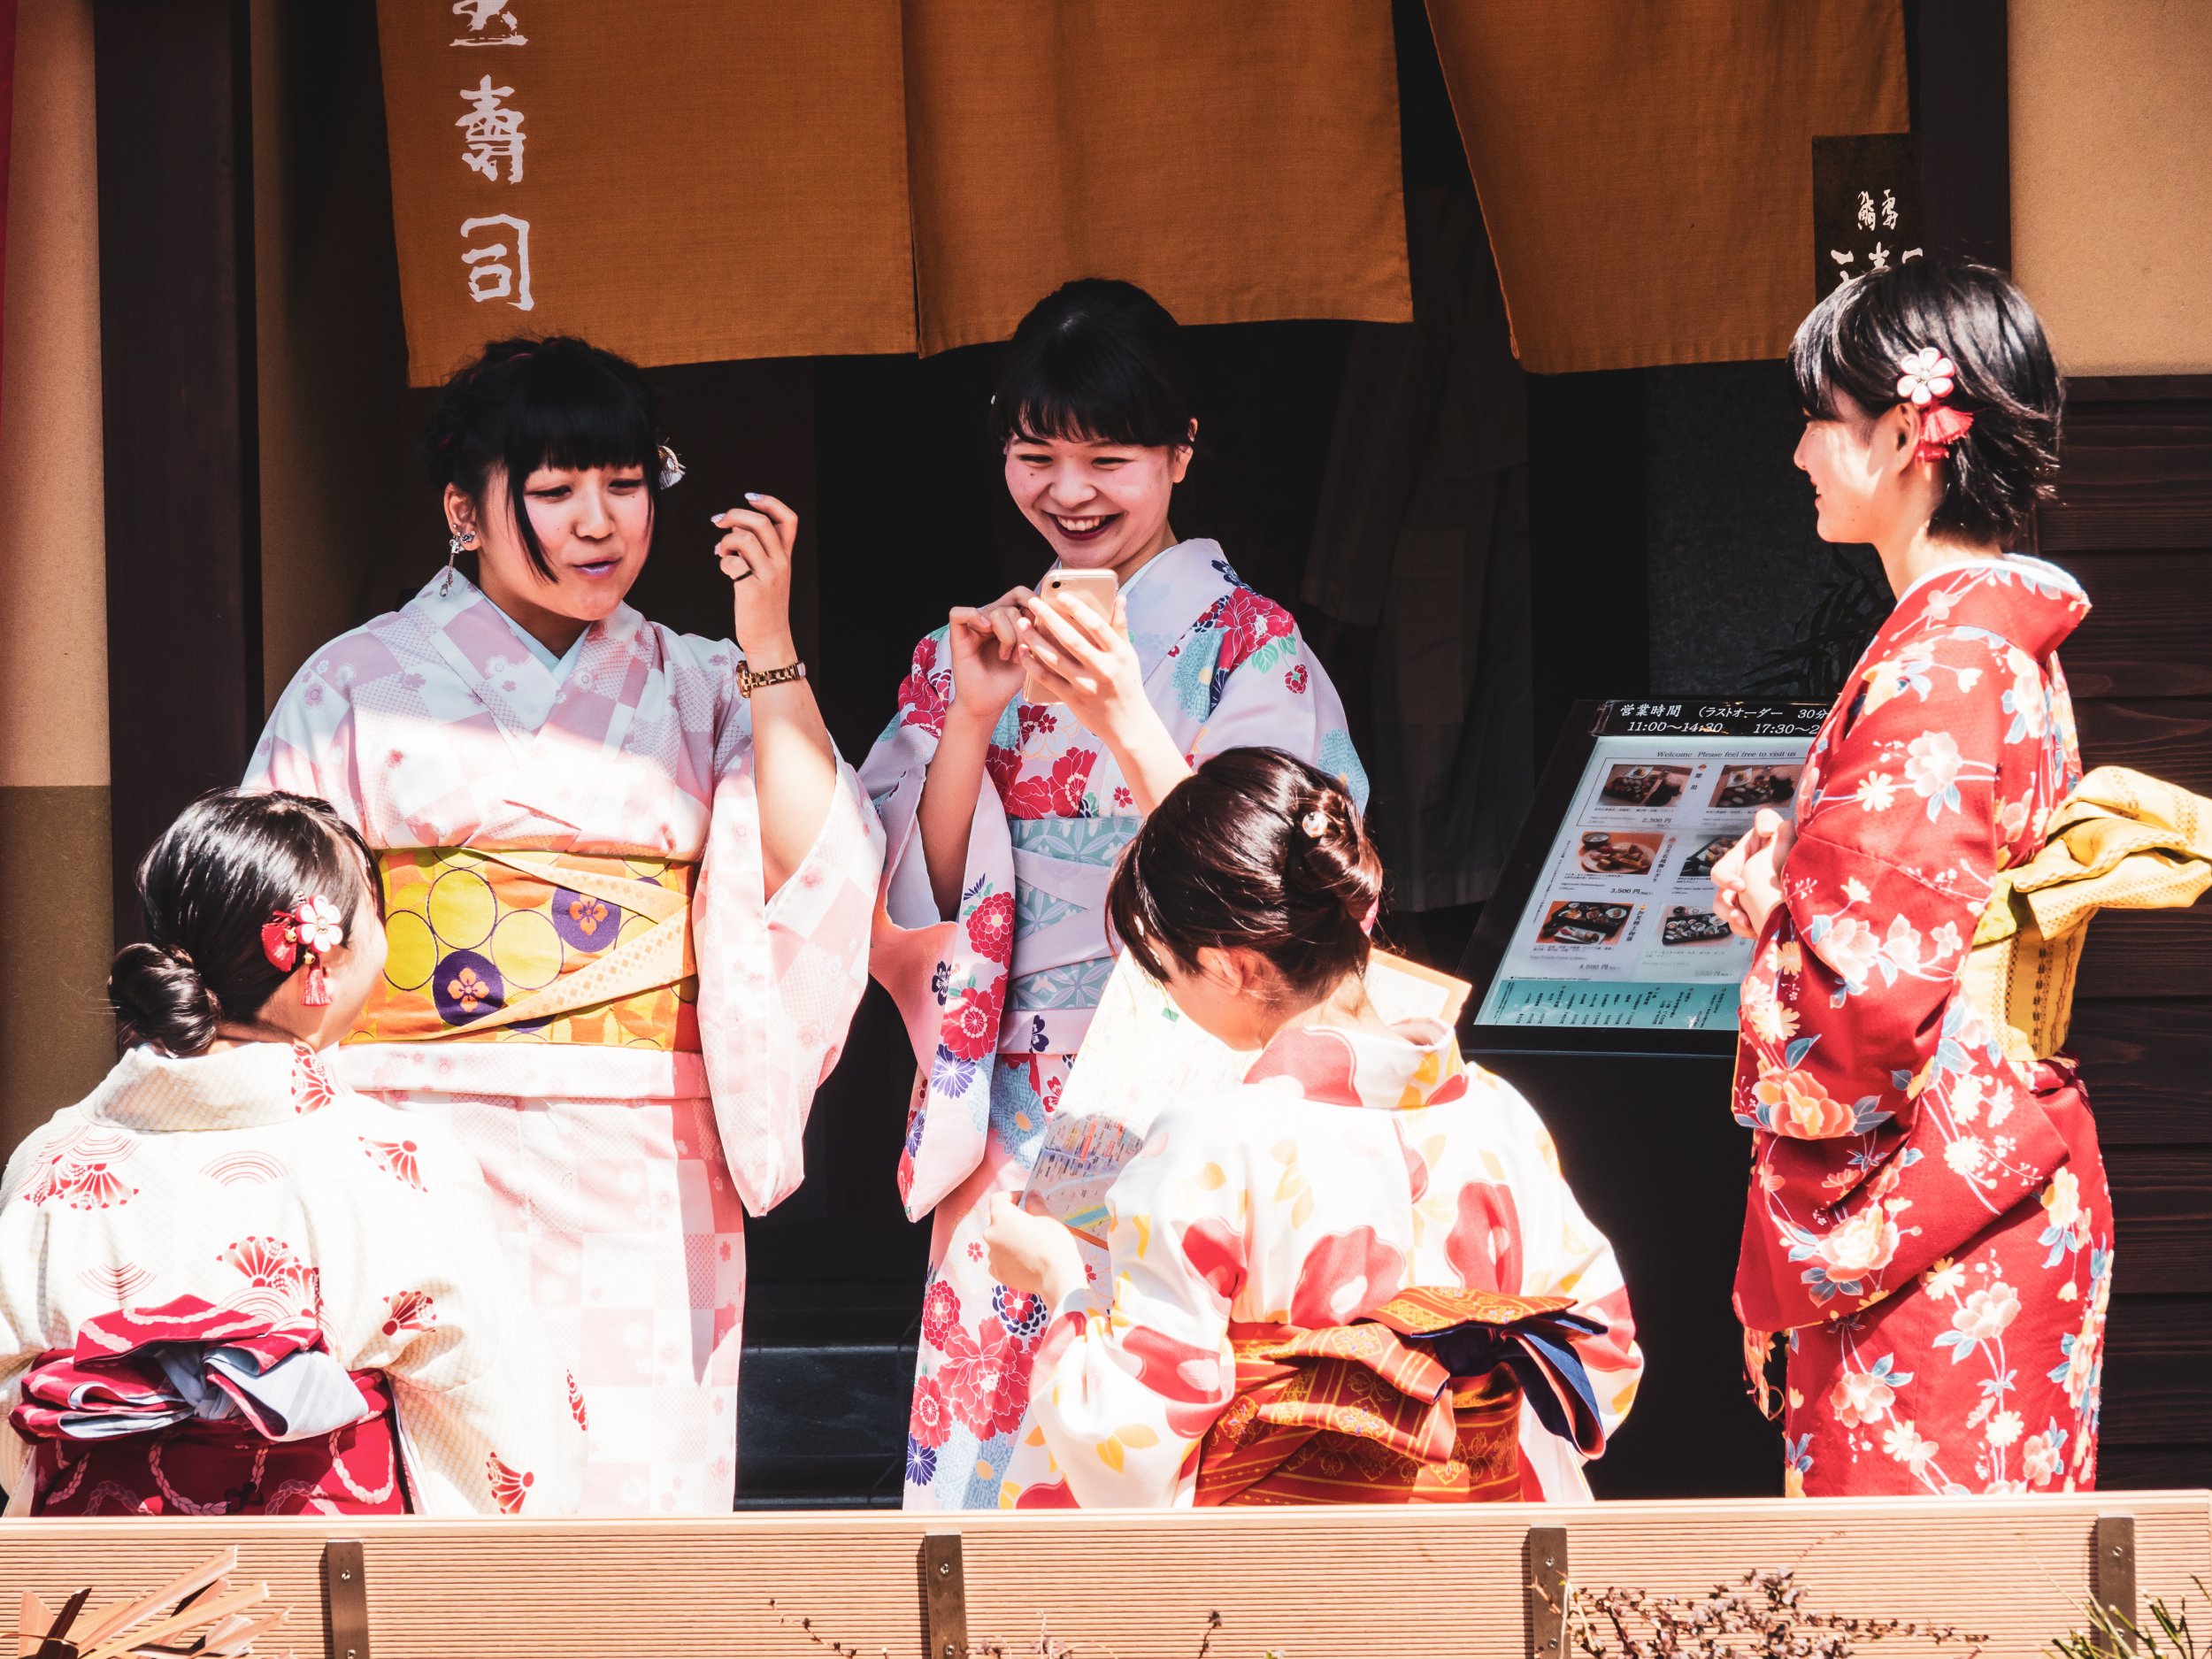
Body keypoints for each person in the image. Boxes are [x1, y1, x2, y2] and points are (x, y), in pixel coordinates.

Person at [244, 337, 885, 1514]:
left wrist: (770, 641)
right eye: (552, 490)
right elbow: (269, 922)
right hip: (412, 1134)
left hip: (644, 1152)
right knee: (430, 1468)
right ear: (462, 510)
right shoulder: (356, 679)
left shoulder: (702, 679)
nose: (599, 521)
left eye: (625, 484)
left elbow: (816, 862)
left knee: (639, 1474)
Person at [861, 280, 1368, 1510]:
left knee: (1165, 1399)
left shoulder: (1249, 645)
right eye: (1036, 455)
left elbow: (1281, 883)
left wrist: (1127, 718)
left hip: (1185, 1077)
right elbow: (915, 892)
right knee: (1002, 1432)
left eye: (1110, 457)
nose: (1069, 490)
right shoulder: (964, 651)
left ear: (1181, 455)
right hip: (1013, 1090)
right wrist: (972, 721)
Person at [981, 749, 1641, 1506]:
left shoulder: (1210, 1141)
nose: (1172, 996)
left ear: (1233, 967)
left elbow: (1128, 1442)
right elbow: (1604, 1358)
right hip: (1479, 1555)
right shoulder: (1502, 1114)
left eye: (1168, 972)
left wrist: (1060, 1279)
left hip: (1279, 1574)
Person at [1713, 258, 2109, 1496]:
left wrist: (1779, 912)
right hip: (2001, 1164)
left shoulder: (1939, 666)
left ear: (1905, 435)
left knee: (1912, 1608)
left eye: (1821, 420)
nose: (1800, 454)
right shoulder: (1987, 641)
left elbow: (1876, 1004)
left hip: (1945, 1213)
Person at [0, 790, 583, 1516]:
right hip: (341, 1598)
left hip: (90, 1599)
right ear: (321, 961)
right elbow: (499, 1416)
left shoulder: (50, 1161)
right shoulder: (395, 1161)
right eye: (375, 912)